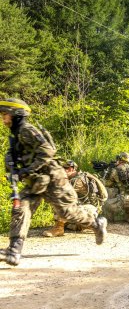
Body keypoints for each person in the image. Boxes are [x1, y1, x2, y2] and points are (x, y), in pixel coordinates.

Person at [0, 98, 107, 266]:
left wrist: (28, 169)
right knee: (21, 208)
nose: (3, 118)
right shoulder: (16, 135)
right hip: (35, 182)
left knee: (67, 213)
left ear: (16, 115)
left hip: (53, 178)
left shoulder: (27, 130)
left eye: (5, 114)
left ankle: (96, 223)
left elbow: (48, 151)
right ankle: (14, 251)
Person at [43, 160, 109, 237]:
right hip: (87, 209)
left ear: (71, 169)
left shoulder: (77, 181)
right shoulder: (78, 177)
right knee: (71, 225)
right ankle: (95, 224)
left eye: (62, 170)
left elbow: (61, 194)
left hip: (88, 209)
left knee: (62, 203)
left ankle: (58, 228)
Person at [102, 152, 129, 225]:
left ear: (119, 160)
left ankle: (109, 220)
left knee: (106, 203)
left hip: (124, 201)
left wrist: (106, 173)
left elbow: (107, 184)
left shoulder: (115, 170)